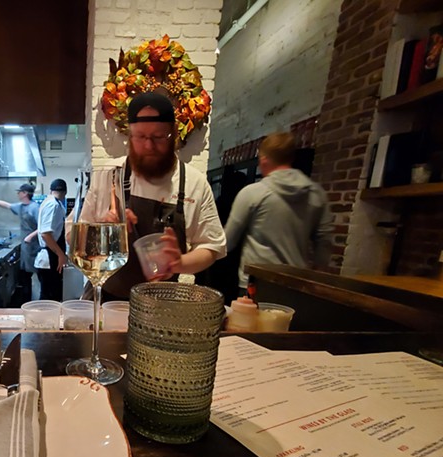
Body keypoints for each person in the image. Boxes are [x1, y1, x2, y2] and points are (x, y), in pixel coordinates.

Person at [78, 91, 227, 301]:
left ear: (174, 133)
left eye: (158, 137)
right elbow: (73, 236)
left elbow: (212, 246)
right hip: (107, 300)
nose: (149, 146)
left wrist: (180, 263)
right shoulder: (110, 179)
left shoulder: (194, 183)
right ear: (129, 136)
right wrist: (102, 229)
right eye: (140, 137)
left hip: (162, 303)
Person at [224, 132, 334, 296]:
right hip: (296, 285)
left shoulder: (253, 193)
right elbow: (324, 241)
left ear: (264, 159)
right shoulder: (316, 193)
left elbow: (227, 242)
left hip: (256, 284)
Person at [0, 183, 40, 304]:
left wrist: (30, 236)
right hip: (26, 247)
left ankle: (37, 303)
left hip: (34, 247)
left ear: (25, 193)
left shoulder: (35, 208)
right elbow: (7, 205)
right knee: (25, 278)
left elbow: (43, 227)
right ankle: (26, 302)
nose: (18, 193)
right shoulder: (21, 207)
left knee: (36, 276)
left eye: (19, 192)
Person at [35, 179, 68, 301]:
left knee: (51, 297)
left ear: (51, 190)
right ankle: (43, 320)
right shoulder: (53, 205)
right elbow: (45, 234)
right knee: (49, 299)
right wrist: (60, 255)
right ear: (65, 192)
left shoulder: (50, 202)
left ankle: (46, 319)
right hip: (50, 258)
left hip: (51, 256)